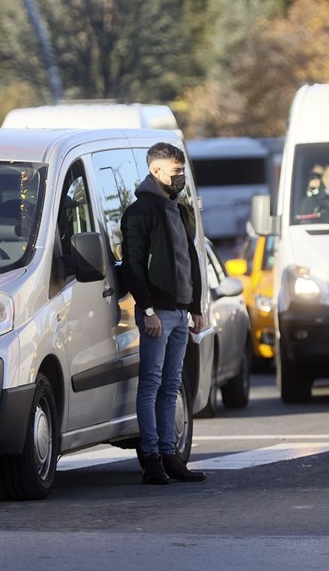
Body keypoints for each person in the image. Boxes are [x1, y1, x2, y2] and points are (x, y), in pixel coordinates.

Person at [121, 142, 207, 486]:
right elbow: (132, 265)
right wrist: (149, 309)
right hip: (158, 314)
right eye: (175, 171)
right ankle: (152, 458)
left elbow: (192, 260)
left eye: (182, 170)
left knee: (171, 385)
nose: (181, 177)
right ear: (156, 171)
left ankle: (171, 455)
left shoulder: (180, 210)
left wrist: (196, 307)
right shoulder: (139, 212)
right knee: (152, 384)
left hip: (182, 312)